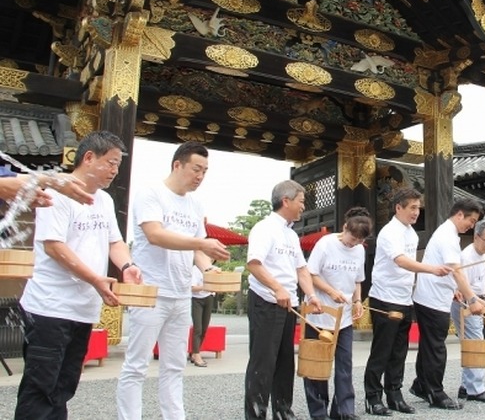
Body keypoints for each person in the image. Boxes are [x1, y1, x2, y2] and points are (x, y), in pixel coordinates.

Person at [15, 131, 141, 419]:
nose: (114, 170)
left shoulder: (105, 201)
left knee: (64, 387)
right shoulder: (57, 192)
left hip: (82, 310)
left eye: (118, 165)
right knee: (40, 387)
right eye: (111, 163)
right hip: (49, 307)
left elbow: (115, 242)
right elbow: (54, 247)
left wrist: (127, 266)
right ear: (88, 157)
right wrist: (96, 279)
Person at [117, 141, 230, 420]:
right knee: (137, 365)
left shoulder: (195, 204)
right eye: (196, 169)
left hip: (181, 295)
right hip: (151, 291)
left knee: (175, 365)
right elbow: (156, 235)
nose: (200, 176)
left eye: (205, 170)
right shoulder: (151, 193)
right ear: (177, 165)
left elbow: (195, 250)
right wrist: (202, 245)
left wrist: (207, 269)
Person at [363, 188, 450, 417]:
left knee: (399, 352)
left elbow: (410, 264)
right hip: (384, 298)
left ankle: (394, 394)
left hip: (403, 298)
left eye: (418, 208)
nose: (416, 212)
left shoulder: (411, 233)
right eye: (412, 207)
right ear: (398, 208)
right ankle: (372, 397)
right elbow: (401, 261)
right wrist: (432, 269)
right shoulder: (389, 232)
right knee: (382, 350)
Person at [245, 179, 322, 420]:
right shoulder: (264, 228)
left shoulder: (290, 234)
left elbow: (301, 269)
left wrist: (311, 295)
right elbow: (254, 264)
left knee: (285, 360)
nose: (303, 207)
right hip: (266, 301)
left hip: (289, 304)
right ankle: (256, 414)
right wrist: (277, 288)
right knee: (263, 360)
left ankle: (282, 410)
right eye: (301, 201)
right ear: (285, 201)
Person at [410, 198, 485, 411]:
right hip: (432, 299)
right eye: (471, 220)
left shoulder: (447, 233)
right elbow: (457, 270)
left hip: (432, 296)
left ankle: (422, 385)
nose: (471, 225)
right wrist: (472, 299)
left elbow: (450, 271)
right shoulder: (448, 236)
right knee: (436, 347)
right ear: (459, 214)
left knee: (429, 345)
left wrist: (456, 290)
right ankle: (435, 392)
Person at [303, 207, 372, 420]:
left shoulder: (359, 250)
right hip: (320, 312)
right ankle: (318, 411)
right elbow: (310, 274)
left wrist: (358, 300)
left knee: (345, 363)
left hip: (344, 316)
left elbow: (357, 280)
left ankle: (344, 410)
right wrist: (331, 291)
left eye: (358, 241)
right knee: (317, 363)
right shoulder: (326, 244)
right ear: (344, 227)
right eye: (352, 239)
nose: (353, 244)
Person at [450, 219, 485, 403]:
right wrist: (482, 304)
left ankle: (466, 386)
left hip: (477, 300)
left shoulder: (483, 255)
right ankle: (476, 389)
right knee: (476, 343)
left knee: (471, 343)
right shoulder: (467, 256)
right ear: (476, 236)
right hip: (466, 302)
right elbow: (464, 288)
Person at [189, 264, 216, 367]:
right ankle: (196, 354)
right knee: (198, 328)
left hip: (208, 297)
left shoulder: (213, 269)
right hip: (196, 299)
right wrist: (206, 286)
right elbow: (192, 287)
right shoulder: (195, 269)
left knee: (204, 328)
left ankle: (195, 352)